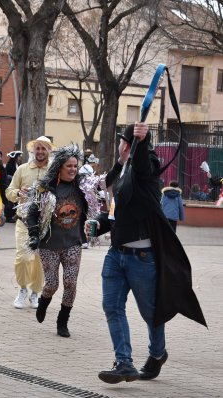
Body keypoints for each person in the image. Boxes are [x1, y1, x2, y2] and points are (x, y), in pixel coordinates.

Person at [88, 123, 206, 384]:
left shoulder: (147, 166)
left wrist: (143, 141)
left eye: (122, 141)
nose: (120, 144)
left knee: (151, 313)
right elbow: (115, 212)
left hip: (142, 258)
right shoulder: (122, 171)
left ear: (127, 144)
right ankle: (124, 363)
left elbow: (143, 165)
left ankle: (157, 353)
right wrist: (97, 223)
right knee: (112, 307)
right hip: (115, 256)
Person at [24, 145, 101, 338]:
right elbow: (32, 212)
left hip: (73, 243)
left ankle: (62, 321)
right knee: (51, 284)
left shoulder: (82, 186)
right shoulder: (45, 187)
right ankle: (43, 301)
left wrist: (121, 162)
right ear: (60, 166)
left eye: (76, 165)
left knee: (70, 283)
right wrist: (34, 234)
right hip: (49, 245)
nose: (73, 169)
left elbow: (104, 181)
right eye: (69, 165)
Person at [5, 136, 52, 309]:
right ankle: (22, 289)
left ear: (49, 151)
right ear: (32, 150)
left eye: (43, 148)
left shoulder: (53, 171)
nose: (40, 152)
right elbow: (9, 191)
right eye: (37, 148)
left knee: (39, 261)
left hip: (45, 225)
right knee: (23, 258)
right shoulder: (23, 169)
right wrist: (18, 193)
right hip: (23, 222)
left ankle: (35, 293)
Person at [4, 151, 23, 223]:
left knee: (15, 201)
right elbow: (7, 175)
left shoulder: (18, 165)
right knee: (10, 201)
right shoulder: (9, 165)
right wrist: (14, 178)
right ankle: (8, 217)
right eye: (18, 157)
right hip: (10, 184)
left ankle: (13, 215)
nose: (19, 158)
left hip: (17, 185)